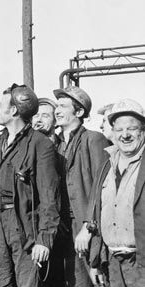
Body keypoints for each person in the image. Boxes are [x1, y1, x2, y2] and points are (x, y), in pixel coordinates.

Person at [0, 84, 60, 287]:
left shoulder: (40, 144)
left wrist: (44, 239)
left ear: (14, 110)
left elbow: (49, 196)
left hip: (25, 226)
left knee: (28, 282)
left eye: (1, 106)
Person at [53, 86, 109, 287]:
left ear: (78, 112)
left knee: (94, 279)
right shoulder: (56, 145)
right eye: (56, 106)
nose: (56, 110)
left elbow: (102, 187)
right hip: (64, 227)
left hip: (86, 227)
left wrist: (88, 226)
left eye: (62, 106)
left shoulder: (94, 140)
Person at [88, 99, 145, 287]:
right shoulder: (106, 166)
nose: (125, 135)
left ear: (142, 131)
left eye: (132, 129)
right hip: (113, 263)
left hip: (140, 264)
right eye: (119, 130)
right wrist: (95, 262)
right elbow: (96, 215)